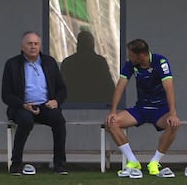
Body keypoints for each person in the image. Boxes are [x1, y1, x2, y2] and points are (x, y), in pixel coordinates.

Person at [105, 39, 180, 178]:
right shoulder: (131, 64)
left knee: (174, 124)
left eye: (131, 55)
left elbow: (169, 87)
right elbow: (121, 85)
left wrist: (173, 113)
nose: (128, 58)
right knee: (111, 123)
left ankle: (154, 162)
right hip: (141, 108)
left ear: (141, 56)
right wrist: (113, 111)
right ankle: (133, 161)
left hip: (160, 110)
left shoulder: (160, 61)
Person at [1, 31, 68, 175]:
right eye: (29, 44)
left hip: (45, 106)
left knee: (59, 120)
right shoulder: (12, 64)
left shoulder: (49, 63)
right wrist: (23, 105)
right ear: (22, 46)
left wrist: (56, 101)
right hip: (21, 106)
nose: (33, 47)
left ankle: (60, 165)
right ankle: (16, 165)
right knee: (25, 121)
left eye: (36, 44)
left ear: (40, 46)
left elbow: (62, 89)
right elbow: (6, 95)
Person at [60, 31, 114, 104]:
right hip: (98, 104)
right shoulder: (100, 62)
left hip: (72, 104)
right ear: (93, 44)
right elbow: (109, 87)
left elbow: (60, 88)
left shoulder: (68, 62)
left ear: (78, 44)